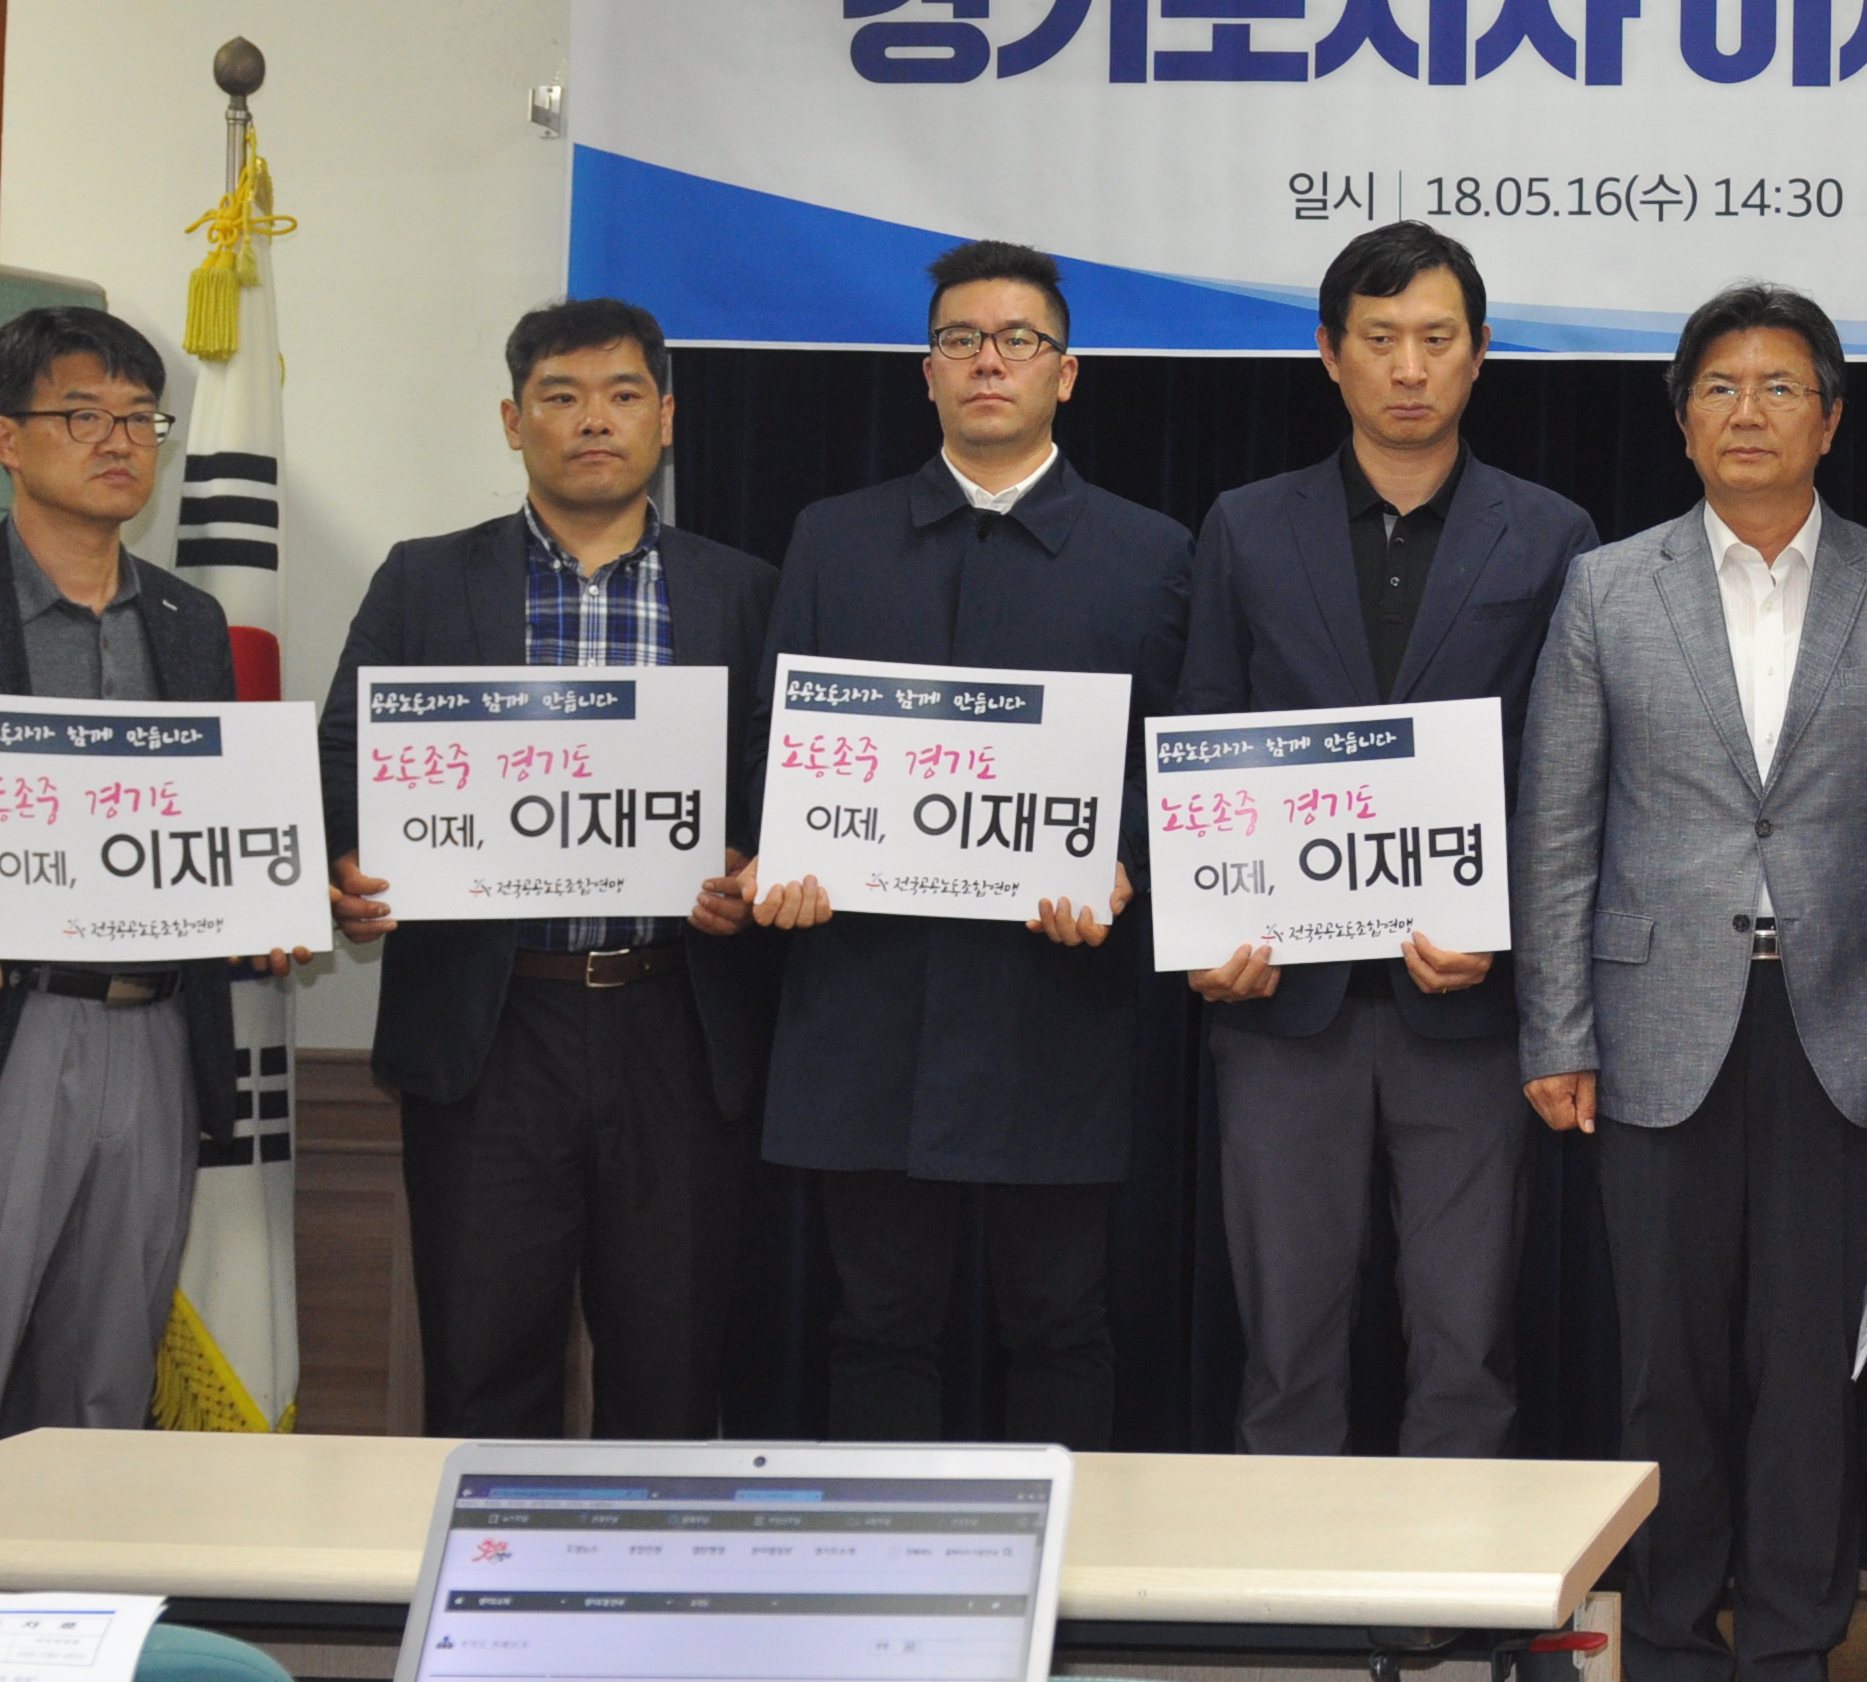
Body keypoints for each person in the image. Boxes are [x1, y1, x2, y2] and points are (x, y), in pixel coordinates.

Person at [1517, 286, 1867, 1682]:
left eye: (1782, 386)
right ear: (1682, 420)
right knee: (1668, 1374)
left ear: (1830, 419)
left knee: (1808, 1379)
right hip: (1655, 1026)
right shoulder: (1608, 590)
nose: (1750, 411)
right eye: (1721, 386)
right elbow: (1559, 824)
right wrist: (1556, 1025)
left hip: (1846, 1024)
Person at [743, 241, 1190, 1446]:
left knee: (1060, 1320)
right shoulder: (834, 537)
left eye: (1018, 340)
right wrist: (778, 853)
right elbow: (780, 738)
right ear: (927, 371)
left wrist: (1124, 861)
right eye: (961, 340)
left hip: (1057, 1000)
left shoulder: (1150, 552)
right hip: (868, 999)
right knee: (879, 1322)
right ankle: (883, 1566)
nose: (989, 361)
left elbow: (1176, 756)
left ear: (1066, 373)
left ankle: (1066, 1563)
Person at [315, 298, 780, 1437]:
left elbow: (780, 775)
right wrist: (348, 859)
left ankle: (656, 1561)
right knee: (481, 1367)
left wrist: (753, 867)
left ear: (666, 418)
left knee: (671, 1372)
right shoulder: (425, 580)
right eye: (561, 398)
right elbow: (343, 756)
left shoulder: (743, 588)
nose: (593, 421)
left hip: (676, 1022)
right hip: (489, 1026)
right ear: (513, 421)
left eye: (622, 396)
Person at [1172, 221, 1594, 1460]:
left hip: (1467, 1008)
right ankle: (1287, 1590)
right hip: (1279, 1006)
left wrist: (1503, 932)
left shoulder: (1551, 533)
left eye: (1436, 338)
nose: (1409, 367)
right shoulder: (1247, 525)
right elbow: (1204, 730)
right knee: (1283, 1349)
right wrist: (1206, 933)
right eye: (1380, 338)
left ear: (1479, 353)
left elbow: (1565, 773)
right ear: (1329, 352)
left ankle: (1452, 1590)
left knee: (1467, 1348)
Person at [0, 307, 252, 1432]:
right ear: (8, 439)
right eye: (81, 415)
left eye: (140, 418)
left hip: (156, 1031)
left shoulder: (192, 620)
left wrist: (263, 898)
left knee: (103, 1386)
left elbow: (223, 820)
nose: (118, 441)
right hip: (19, 1026)